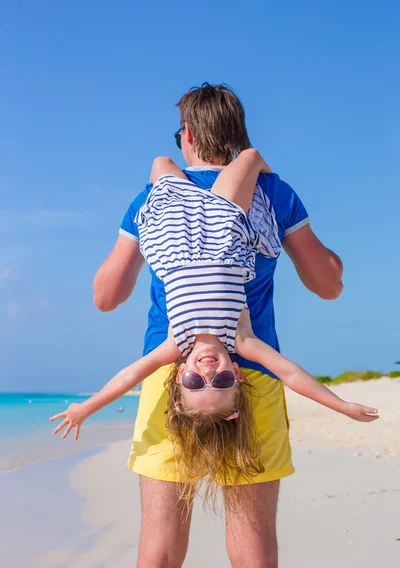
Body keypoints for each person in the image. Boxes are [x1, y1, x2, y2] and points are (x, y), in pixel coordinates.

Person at [93, 83, 345, 568]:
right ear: (239, 134)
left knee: (160, 548)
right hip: (252, 371)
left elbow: (107, 297)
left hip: (171, 374)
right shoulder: (274, 192)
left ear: (185, 135)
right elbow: (327, 285)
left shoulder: (153, 199)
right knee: (252, 549)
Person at [51, 154, 377, 504]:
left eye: (195, 382)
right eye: (221, 381)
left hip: (173, 237)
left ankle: (192, 171)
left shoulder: (177, 344)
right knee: (250, 158)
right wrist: (341, 406)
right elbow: (291, 375)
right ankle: (245, 166)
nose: (208, 371)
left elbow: (129, 376)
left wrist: (85, 408)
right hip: (222, 232)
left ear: (180, 377)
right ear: (237, 374)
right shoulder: (241, 339)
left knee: (161, 163)